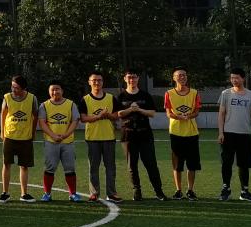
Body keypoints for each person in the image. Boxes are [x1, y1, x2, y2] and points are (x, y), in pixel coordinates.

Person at [117, 69, 168, 201]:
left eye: (134, 77)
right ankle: (137, 191)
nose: (132, 80)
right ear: (125, 79)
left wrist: (139, 109)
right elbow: (118, 114)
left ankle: (159, 192)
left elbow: (152, 113)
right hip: (128, 136)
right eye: (129, 77)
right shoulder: (121, 96)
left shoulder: (145, 95)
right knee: (132, 166)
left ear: (138, 79)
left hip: (145, 135)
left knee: (151, 164)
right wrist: (130, 109)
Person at [217, 69, 251, 202]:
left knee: (244, 164)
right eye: (232, 78)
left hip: (245, 135)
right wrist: (221, 132)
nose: (234, 80)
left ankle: (244, 191)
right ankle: (226, 189)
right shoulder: (225, 94)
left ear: (243, 78)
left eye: (236, 78)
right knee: (226, 163)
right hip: (228, 134)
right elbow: (221, 114)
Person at [77, 71, 122, 203]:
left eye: (99, 80)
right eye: (94, 80)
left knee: (110, 167)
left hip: (109, 137)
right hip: (92, 138)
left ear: (103, 82)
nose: (97, 82)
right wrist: (98, 116)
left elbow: (117, 115)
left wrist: (108, 115)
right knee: (93, 168)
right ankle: (94, 193)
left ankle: (111, 193)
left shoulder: (111, 98)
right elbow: (83, 118)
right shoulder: (85, 99)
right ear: (89, 82)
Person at [38, 82, 82, 202]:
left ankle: (72, 194)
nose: (55, 92)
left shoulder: (71, 104)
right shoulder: (44, 105)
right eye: (52, 90)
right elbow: (42, 122)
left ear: (62, 91)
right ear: (49, 92)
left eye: (57, 89)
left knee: (70, 168)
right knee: (50, 168)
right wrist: (53, 135)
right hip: (51, 142)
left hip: (68, 142)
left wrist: (65, 135)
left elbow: (75, 121)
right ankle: (47, 194)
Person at [0, 75, 38, 204]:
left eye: (16, 87)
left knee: (24, 166)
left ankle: (24, 194)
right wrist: (2, 132)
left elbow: (35, 116)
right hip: (9, 136)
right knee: (6, 164)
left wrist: (33, 132)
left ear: (23, 88)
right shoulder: (7, 97)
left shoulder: (32, 98)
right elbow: (3, 114)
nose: (13, 89)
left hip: (25, 137)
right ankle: (5, 193)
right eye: (12, 86)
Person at [164, 68, 202, 201]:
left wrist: (189, 116)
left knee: (192, 164)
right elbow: (168, 113)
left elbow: (197, 111)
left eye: (184, 75)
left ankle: (190, 190)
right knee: (177, 164)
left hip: (192, 133)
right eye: (179, 75)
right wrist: (179, 117)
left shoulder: (194, 93)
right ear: (174, 78)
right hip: (176, 132)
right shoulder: (169, 93)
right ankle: (178, 190)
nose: (182, 77)